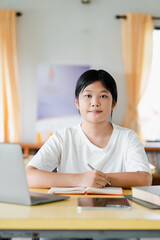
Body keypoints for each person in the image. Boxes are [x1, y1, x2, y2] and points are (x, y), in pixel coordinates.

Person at [26, 69, 152, 188]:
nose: (95, 103)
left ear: (113, 103)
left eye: (103, 96)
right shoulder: (63, 137)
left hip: (114, 209)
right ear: (77, 103)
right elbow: (29, 176)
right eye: (88, 96)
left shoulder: (128, 137)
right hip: (69, 209)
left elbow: (144, 178)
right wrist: (81, 179)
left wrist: (96, 179)